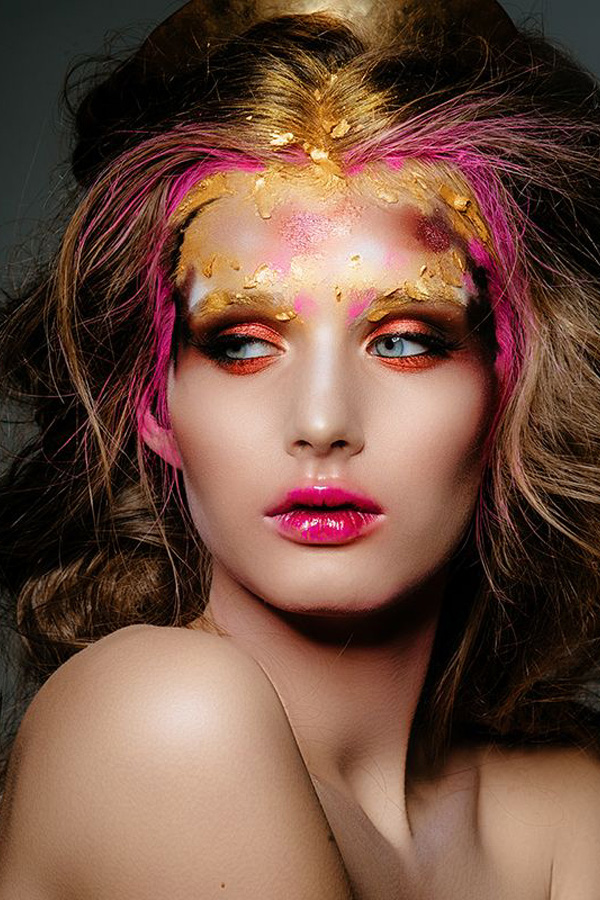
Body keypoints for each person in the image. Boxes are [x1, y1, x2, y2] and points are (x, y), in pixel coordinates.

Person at [1, 0, 600, 896]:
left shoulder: (566, 800)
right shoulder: (160, 719)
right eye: (242, 343)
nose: (322, 423)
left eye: (406, 340)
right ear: (153, 402)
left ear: (513, 393)